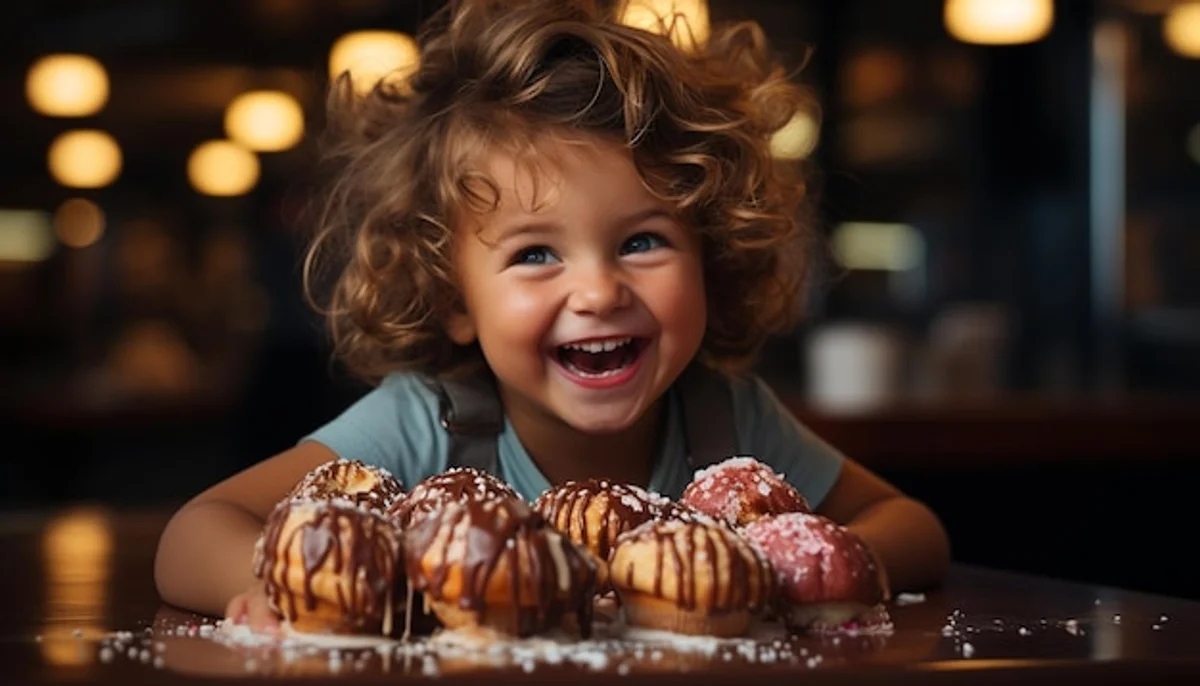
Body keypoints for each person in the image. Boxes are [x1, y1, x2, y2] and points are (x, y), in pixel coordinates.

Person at [154, 0, 950, 633]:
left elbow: (910, 525)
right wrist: (294, 582)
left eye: (642, 241)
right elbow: (195, 531)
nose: (598, 291)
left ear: (712, 257)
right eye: (536, 253)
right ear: (454, 300)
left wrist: (789, 571)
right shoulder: (427, 424)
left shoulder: (725, 423)